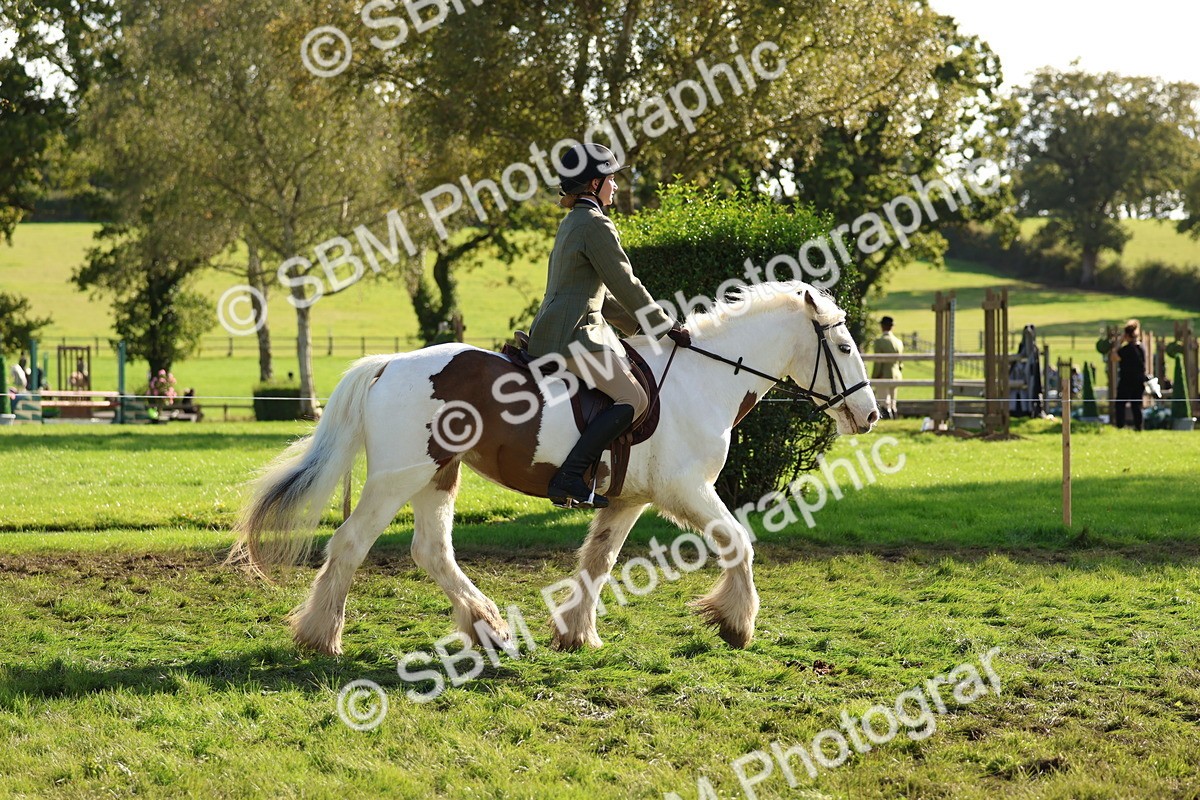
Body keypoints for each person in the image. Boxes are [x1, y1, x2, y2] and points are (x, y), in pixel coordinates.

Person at [527, 142, 690, 509]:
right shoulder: (595, 224)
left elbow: (599, 298)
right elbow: (625, 283)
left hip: (562, 328)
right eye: (612, 178)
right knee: (634, 398)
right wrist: (665, 326)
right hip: (573, 337)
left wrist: (640, 329)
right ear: (595, 183)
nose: (616, 185)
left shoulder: (574, 221)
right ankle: (571, 475)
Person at [1114, 319, 1146, 430]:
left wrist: (1119, 343)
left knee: (1120, 404)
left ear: (1127, 335)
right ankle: (1139, 427)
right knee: (1136, 405)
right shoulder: (1141, 348)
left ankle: (1120, 425)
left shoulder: (1125, 349)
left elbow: (1114, 357)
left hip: (1126, 380)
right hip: (1139, 380)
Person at [871, 317, 903, 419]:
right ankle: (894, 418)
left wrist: (875, 376)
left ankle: (887, 418)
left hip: (883, 374)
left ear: (882, 326)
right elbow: (900, 362)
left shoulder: (879, 341)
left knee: (884, 401)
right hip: (896, 374)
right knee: (893, 401)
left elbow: (878, 361)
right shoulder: (898, 342)